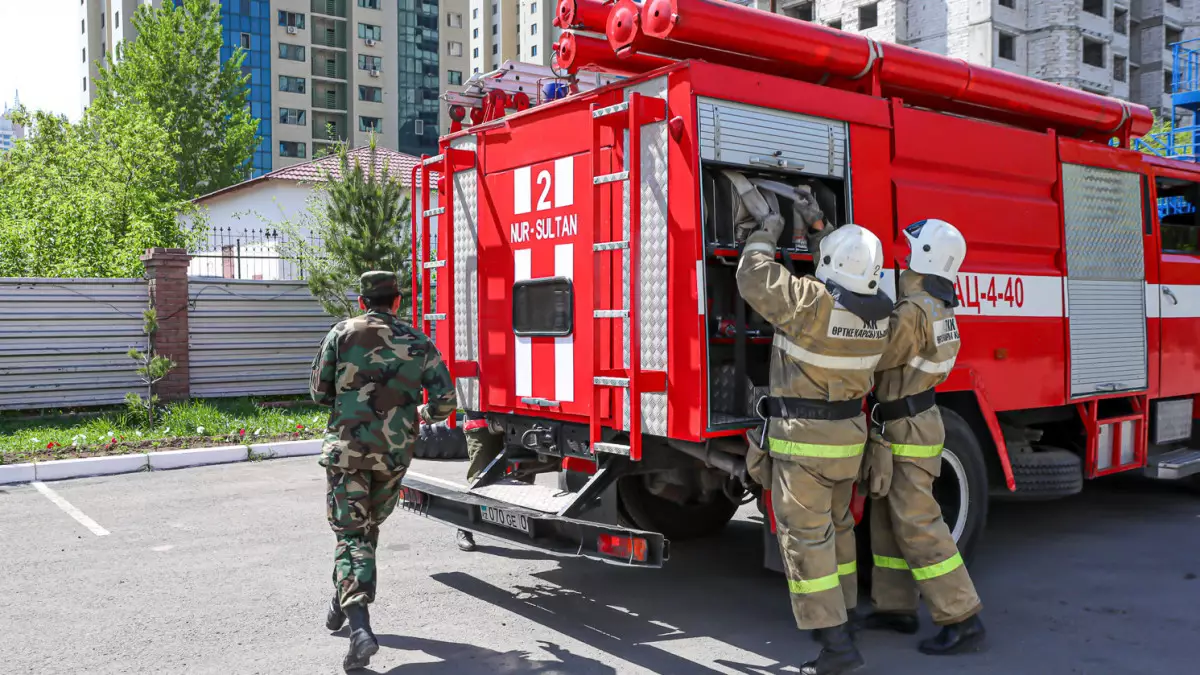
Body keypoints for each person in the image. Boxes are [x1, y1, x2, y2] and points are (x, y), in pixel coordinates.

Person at [733, 173, 893, 675]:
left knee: (806, 542)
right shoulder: (878, 318)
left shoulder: (808, 304)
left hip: (803, 449)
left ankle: (837, 649)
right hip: (847, 446)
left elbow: (754, 276)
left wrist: (766, 230)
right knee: (840, 532)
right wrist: (822, 227)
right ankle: (845, 616)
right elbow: (846, 280)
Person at [310, 270, 457, 672]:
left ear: (362, 301)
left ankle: (360, 627)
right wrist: (414, 414)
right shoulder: (419, 341)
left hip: (348, 451)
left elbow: (319, 392)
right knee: (365, 530)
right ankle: (339, 603)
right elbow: (445, 403)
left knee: (351, 532)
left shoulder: (341, 333)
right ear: (397, 302)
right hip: (393, 455)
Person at [858, 218, 986, 655]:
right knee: (888, 519)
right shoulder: (936, 304)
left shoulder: (913, 310)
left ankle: (962, 617)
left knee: (918, 523)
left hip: (907, 425)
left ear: (926, 257)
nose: (903, 257)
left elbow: (875, 352)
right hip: (909, 421)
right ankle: (896, 608)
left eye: (910, 250)